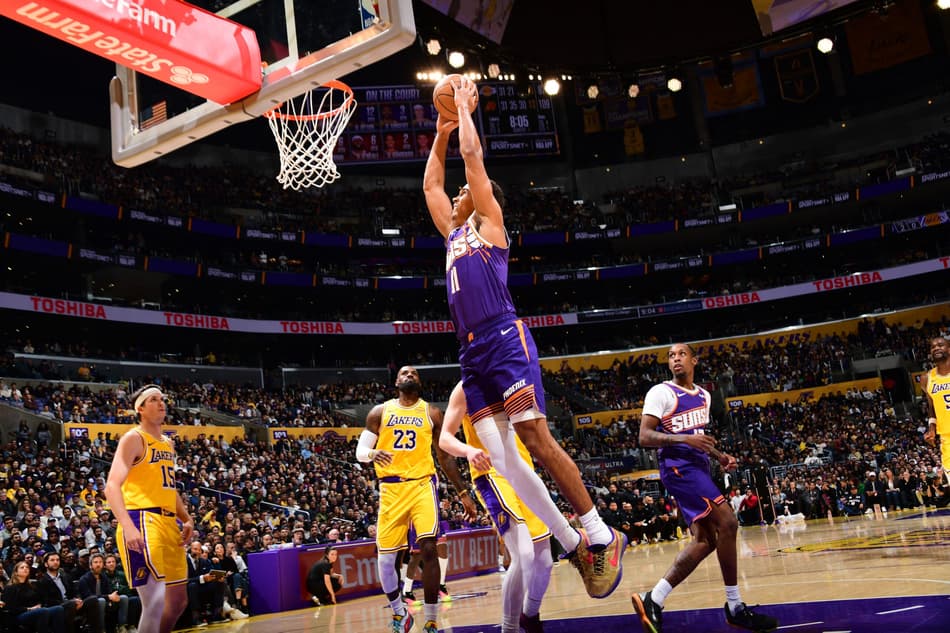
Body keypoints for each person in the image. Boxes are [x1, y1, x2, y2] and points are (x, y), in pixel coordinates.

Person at [422, 75, 626, 600]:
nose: (462, 193)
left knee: (536, 439)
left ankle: (599, 530)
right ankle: (571, 544)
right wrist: (441, 131)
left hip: (503, 339)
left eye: (471, 190)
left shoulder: (489, 225)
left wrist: (465, 112)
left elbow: (472, 163)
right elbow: (431, 187)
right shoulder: (451, 232)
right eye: (463, 193)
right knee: (508, 461)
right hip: (470, 353)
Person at [632, 343, 778, 633]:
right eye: (671, 356)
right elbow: (645, 436)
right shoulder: (661, 392)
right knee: (728, 522)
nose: (675, 359)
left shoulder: (704, 396)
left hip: (699, 468)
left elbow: (698, 438)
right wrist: (684, 441)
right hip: (677, 467)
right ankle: (734, 606)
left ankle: (654, 599)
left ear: (693, 360)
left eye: (681, 354)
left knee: (705, 541)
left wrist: (720, 457)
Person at [355, 365, 477, 633]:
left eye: (414, 373)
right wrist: (373, 454)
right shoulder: (380, 412)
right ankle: (400, 614)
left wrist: (463, 492)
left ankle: (432, 619)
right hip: (390, 489)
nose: (409, 375)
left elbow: (444, 456)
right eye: (404, 373)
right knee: (386, 560)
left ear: (419, 382)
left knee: (430, 549)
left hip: (422, 485)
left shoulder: (432, 413)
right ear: (396, 382)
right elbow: (360, 451)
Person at [439, 381, 553, 633]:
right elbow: (445, 438)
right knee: (523, 555)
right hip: (491, 473)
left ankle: (530, 616)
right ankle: (509, 628)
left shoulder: (515, 378)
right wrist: (468, 451)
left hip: (524, 472)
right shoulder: (465, 387)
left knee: (544, 559)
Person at [104, 384, 194, 633]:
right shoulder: (134, 438)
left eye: (162, 399)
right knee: (154, 602)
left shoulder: (167, 443)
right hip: (142, 520)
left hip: (168, 523)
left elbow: (168, 488)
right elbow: (112, 486)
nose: (161, 403)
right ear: (140, 408)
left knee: (177, 602)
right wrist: (128, 527)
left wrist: (186, 518)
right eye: (153, 400)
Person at [2, 560, 67, 632]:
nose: (25, 568)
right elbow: (10, 608)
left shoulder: (32, 586)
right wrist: (29, 609)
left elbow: (39, 599)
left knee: (58, 609)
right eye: (22, 567)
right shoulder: (11, 588)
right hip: (19, 615)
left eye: (27, 567)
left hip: (35, 610)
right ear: (16, 572)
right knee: (43, 611)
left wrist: (39, 604)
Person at [35, 551, 88, 633]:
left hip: (72, 603)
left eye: (57, 560)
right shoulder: (42, 581)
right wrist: (71, 602)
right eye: (52, 560)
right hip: (57, 607)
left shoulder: (65, 576)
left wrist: (78, 599)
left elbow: (75, 590)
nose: (55, 562)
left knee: (93, 600)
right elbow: (46, 601)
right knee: (70, 605)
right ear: (46, 564)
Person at [78, 552, 129, 633]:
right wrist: (108, 597)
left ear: (103, 565)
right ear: (90, 565)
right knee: (101, 601)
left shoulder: (104, 577)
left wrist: (112, 597)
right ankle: (101, 630)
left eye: (100, 562)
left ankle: (121, 627)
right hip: (89, 605)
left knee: (123, 598)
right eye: (95, 562)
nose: (98, 565)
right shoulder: (84, 579)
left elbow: (109, 592)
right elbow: (89, 597)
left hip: (104, 601)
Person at [923, 335, 950, 486]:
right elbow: (931, 407)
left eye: (940, 345)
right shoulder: (927, 378)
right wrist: (931, 428)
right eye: (933, 347)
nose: (936, 348)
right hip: (947, 436)